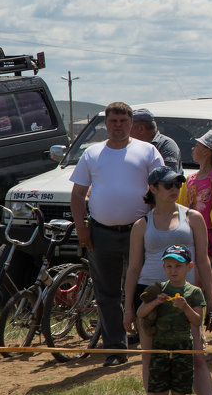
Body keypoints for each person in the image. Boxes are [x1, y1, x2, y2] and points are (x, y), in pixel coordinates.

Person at [125, 164, 212, 395]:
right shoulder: (141, 225)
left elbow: (204, 261)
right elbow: (133, 269)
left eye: (178, 184)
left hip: (187, 295)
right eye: (168, 185)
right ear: (153, 188)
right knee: (150, 358)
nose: (175, 189)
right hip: (151, 295)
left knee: (196, 357)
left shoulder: (192, 217)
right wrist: (128, 309)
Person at [69, 101, 164, 367]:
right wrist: (81, 228)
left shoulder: (147, 151)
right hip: (102, 233)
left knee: (146, 289)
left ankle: (151, 344)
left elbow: (162, 188)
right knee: (107, 294)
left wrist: (159, 224)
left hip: (140, 231)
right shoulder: (92, 154)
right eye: (113, 121)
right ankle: (114, 349)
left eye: (123, 121)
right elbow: (78, 194)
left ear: (131, 123)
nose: (118, 126)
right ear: (106, 123)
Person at [135, 244, 206, 395]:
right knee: (158, 394)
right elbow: (140, 313)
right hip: (160, 349)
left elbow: (197, 321)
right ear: (164, 267)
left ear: (189, 267)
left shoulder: (194, 293)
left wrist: (185, 307)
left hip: (183, 348)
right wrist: (155, 302)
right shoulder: (158, 288)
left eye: (178, 266)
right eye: (169, 266)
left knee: (179, 393)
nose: (173, 271)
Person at [178, 130, 212, 285]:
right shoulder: (190, 178)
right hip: (188, 230)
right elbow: (180, 206)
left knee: (199, 274)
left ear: (207, 151)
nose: (193, 149)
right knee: (190, 271)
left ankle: (205, 304)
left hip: (209, 231)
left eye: (197, 146)